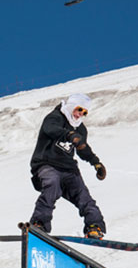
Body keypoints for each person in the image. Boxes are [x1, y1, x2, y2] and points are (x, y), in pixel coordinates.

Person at [28, 93, 107, 239]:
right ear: (71, 107)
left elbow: (82, 147)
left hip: (69, 169)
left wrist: (96, 162)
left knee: (84, 197)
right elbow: (50, 129)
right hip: (46, 164)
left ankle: (94, 227)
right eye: (78, 110)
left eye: (84, 112)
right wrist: (70, 135)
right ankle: (39, 224)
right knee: (52, 185)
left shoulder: (81, 129)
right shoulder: (55, 117)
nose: (80, 115)